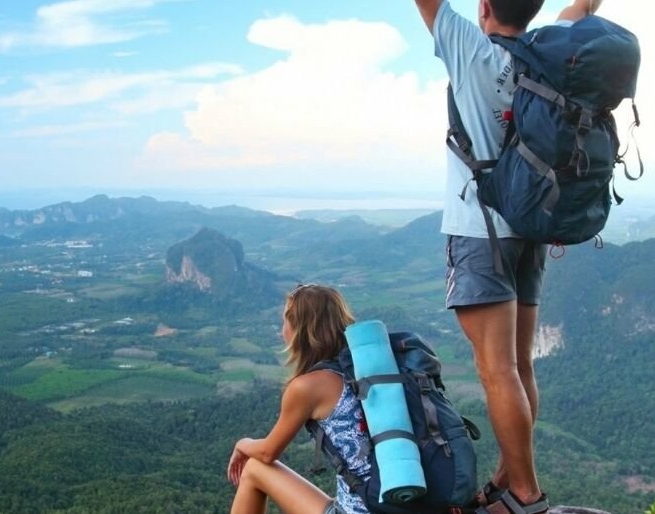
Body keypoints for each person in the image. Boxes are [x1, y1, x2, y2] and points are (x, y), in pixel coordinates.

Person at [412, 0, 602, 513]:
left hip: (481, 231)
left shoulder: (471, 50)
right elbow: (582, 6)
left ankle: (525, 495)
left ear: (484, 7)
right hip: (532, 224)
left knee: (497, 371)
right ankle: (506, 479)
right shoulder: (549, 53)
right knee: (518, 366)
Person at [226, 284, 370, 514]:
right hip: (406, 502)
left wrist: (242, 443)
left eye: (285, 321)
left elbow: (267, 453)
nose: (282, 330)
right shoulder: (369, 368)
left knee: (254, 468)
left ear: (300, 329)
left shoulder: (307, 387)